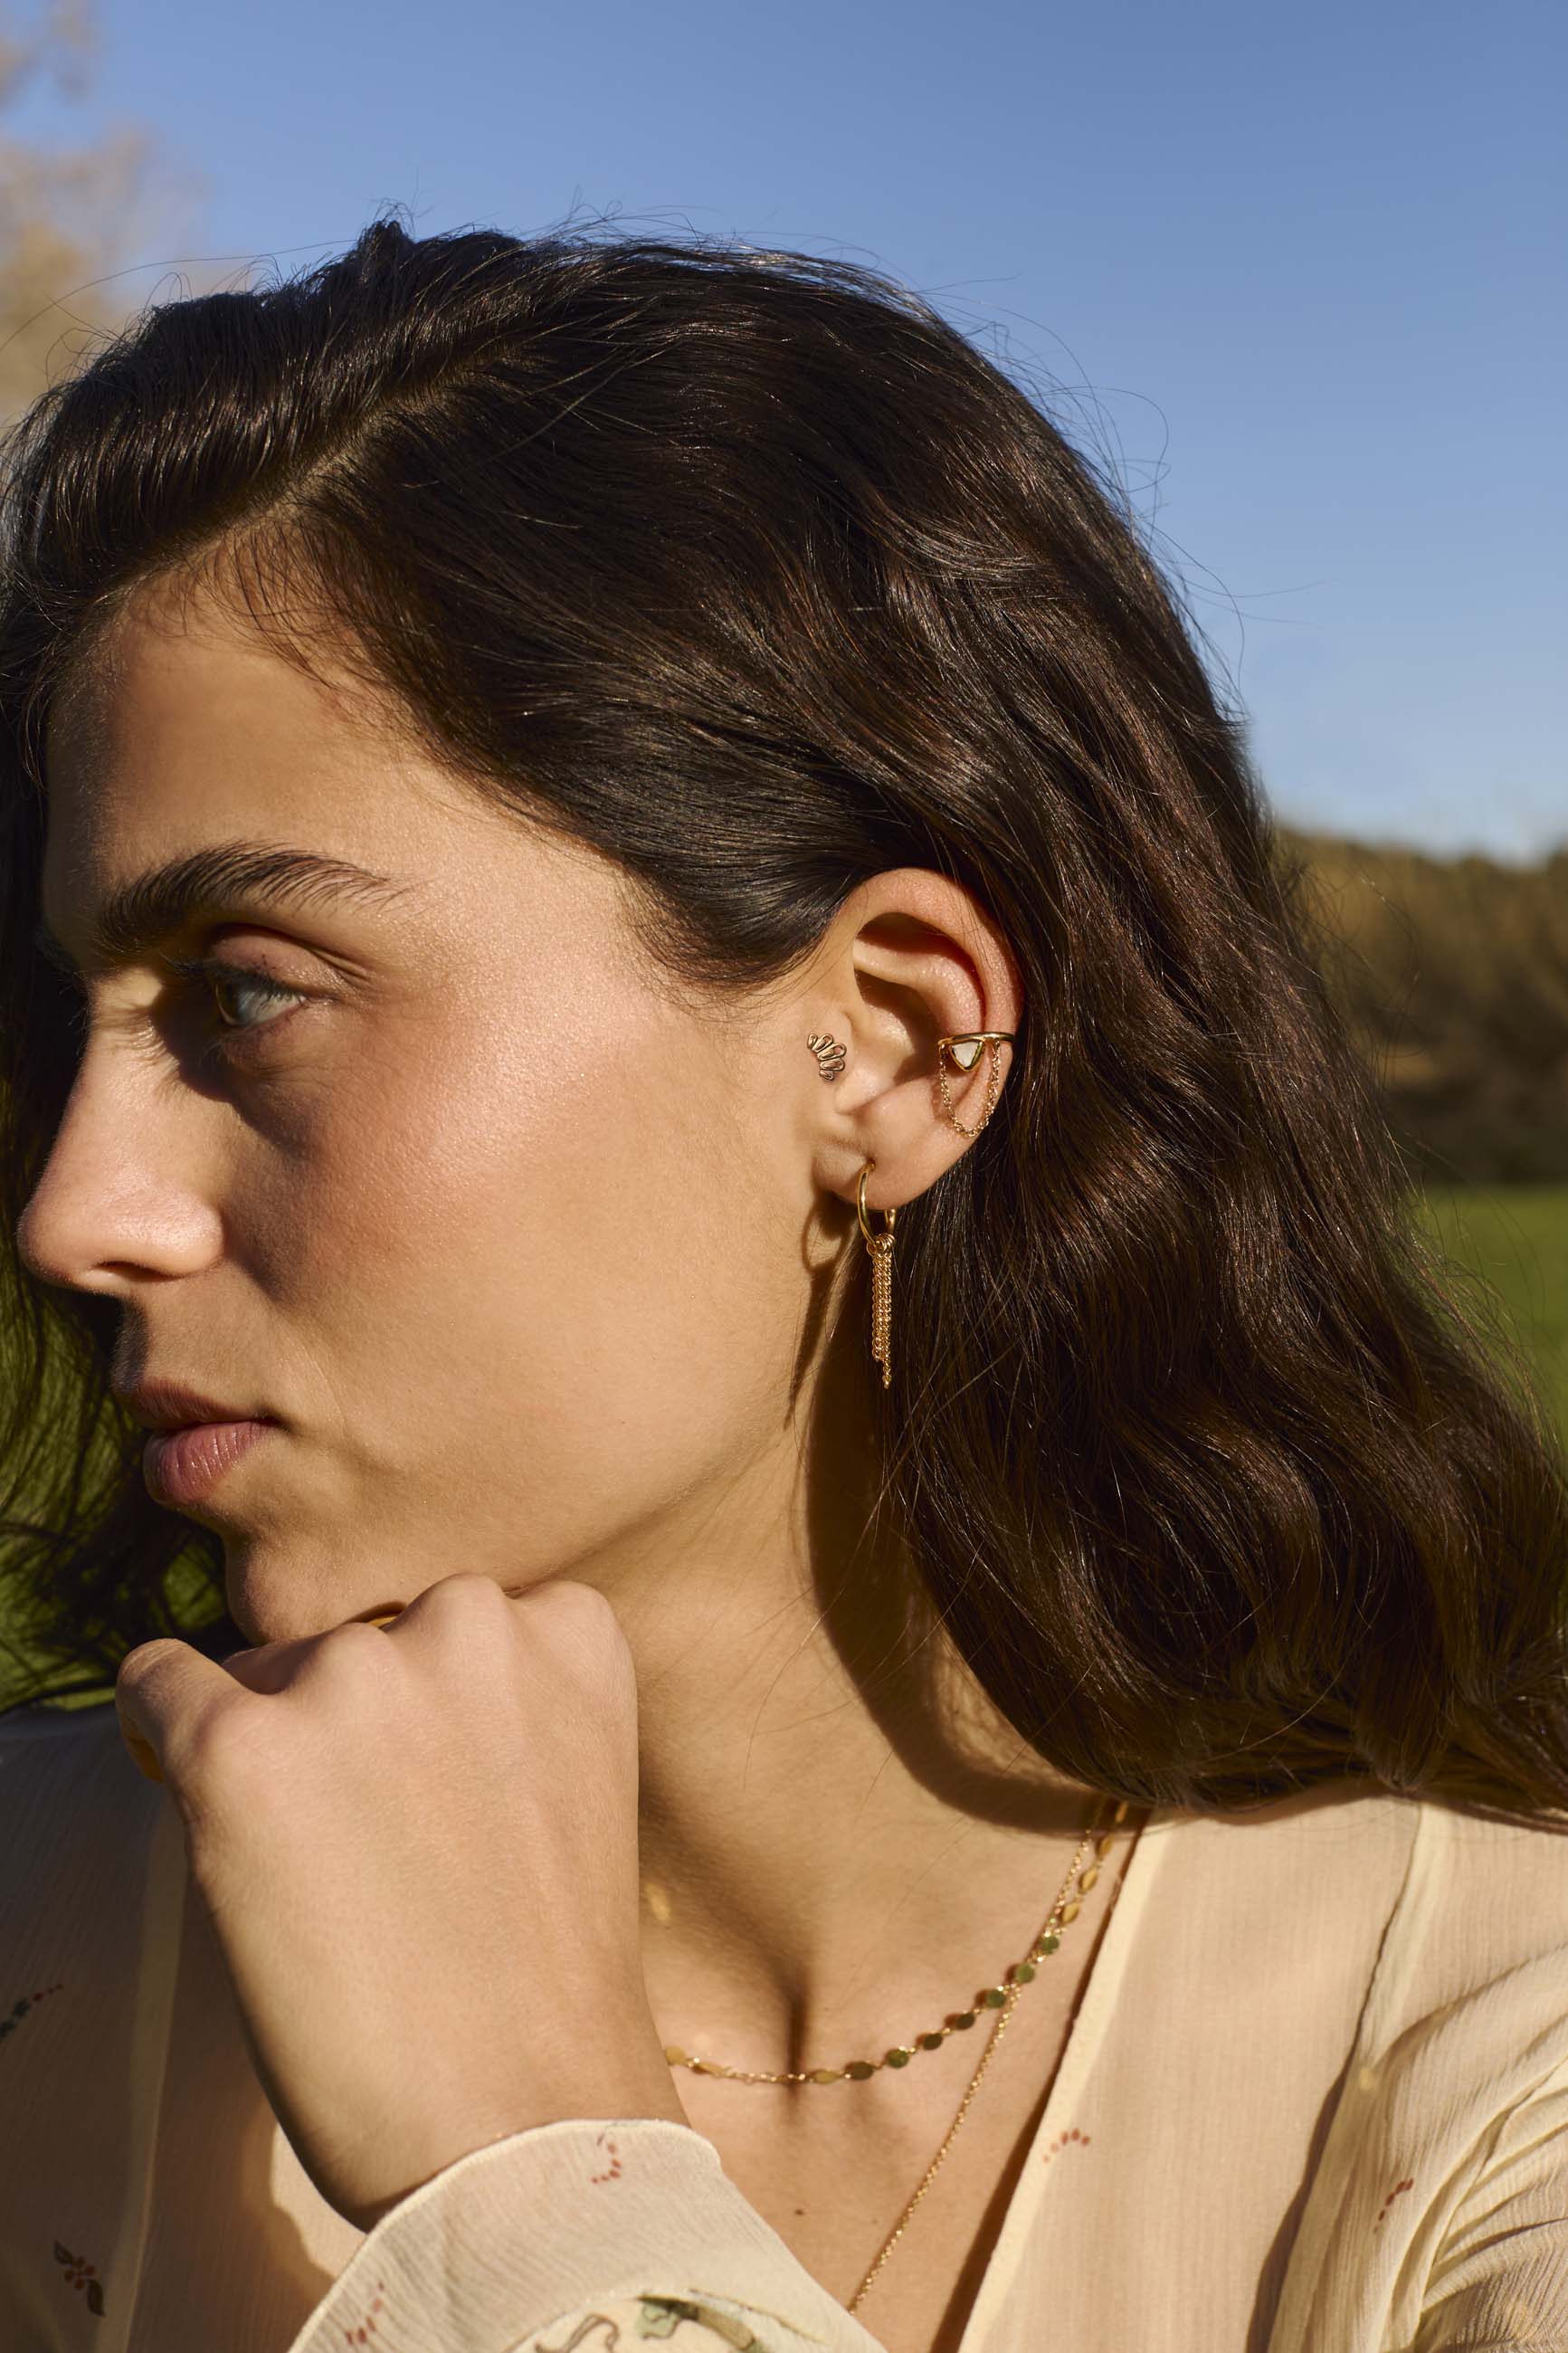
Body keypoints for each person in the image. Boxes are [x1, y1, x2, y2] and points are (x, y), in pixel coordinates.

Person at [0, 216, 1564, 2353]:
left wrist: (524, 2181)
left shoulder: (1498, 2083)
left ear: (890, 1048)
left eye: (251, 991)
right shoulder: (44, 1963)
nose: (77, 1210)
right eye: (76, 1014)